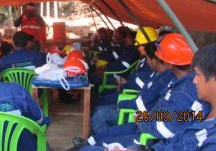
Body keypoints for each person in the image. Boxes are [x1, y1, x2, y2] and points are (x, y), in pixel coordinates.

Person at [74, 33, 210, 150]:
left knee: (95, 138)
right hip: (147, 127)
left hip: (149, 138)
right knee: (103, 136)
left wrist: (142, 122)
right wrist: (142, 119)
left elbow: (166, 127)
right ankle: (87, 144)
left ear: (167, 62)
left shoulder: (185, 93)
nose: (195, 80)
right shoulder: (178, 82)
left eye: (198, 75)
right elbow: (168, 116)